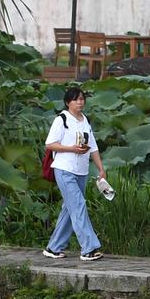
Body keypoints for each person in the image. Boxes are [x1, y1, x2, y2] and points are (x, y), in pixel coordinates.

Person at [41, 85, 107, 261]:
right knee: (78, 205)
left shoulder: (85, 120)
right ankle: (89, 248)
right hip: (64, 169)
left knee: (70, 209)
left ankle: (54, 247)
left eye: (82, 99)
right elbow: (50, 144)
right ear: (68, 102)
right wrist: (71, 149)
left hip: (81, 171)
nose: (80, 102)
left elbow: (93, 147)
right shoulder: (61, 119)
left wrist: (101, 168)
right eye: (76, 99)